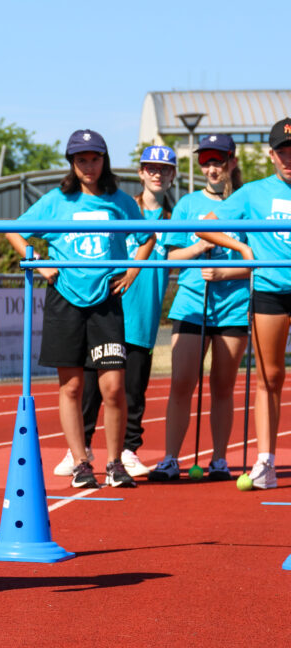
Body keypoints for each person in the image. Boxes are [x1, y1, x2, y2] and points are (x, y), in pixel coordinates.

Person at [6, 129, 154, 489]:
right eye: (81, 160)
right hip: (65, 299)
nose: (89, 166)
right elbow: (14, 231)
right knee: (71, 386)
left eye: (95, 158)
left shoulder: (120, 201)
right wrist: (38, 263)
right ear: (72, 163)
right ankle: (80, 462)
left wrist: (133, 271)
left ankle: (116, 463)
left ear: (105, 160)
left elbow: (148, 236)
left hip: (106, 301)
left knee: (113, 387)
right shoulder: (57, 200)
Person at [195, 118, 291, 489]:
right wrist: (241, 248)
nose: (288, 158)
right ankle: (266, 461)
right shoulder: (253, 193)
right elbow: (203, 225)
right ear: (271, 155)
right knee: (270, 376)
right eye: (282, 152)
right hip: (269, 290)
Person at [70, 145, 176, 479]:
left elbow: (177, 253)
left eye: (165, 169)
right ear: (141, 172)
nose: (157, 174)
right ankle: (81, 450)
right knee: (90, 389)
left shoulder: (173, 219)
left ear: (173, 175)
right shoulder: (123, 207)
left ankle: (128, 452)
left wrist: (202, 245)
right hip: (107, 313)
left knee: (132, 391)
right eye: (151, 168)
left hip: (143, 317)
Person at [149, 134, 249, 482]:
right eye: (205, 161)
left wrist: (225, 272)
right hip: (192, 302)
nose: (212, 168)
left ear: (232, 162)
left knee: (222, 386)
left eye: (218, 160)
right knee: (181, 382)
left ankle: (219, 459)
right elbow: (171, 256)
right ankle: (170, 459)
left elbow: (257, 261)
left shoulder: (245, 201)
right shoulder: (188, 204)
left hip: (233, 305)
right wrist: (199, 247)